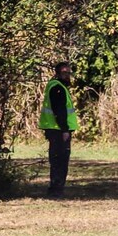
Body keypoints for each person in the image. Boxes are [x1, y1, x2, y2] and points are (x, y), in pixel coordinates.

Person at [38, 62, 78, 198]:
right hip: (58, 130)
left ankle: (56, 189)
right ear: (58, 73)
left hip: (55, 129)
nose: (67, 75)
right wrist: (65, 130)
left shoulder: (56, 86)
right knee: (60, 161)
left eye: (68, 73)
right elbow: (60, 111)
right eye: (64, 73)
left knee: (58, 160)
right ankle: (56, 190)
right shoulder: (57, 88)